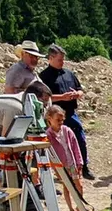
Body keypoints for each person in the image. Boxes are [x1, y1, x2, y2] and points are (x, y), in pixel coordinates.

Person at [38, 44, 94, 180]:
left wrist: (77, 94)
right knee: (56, 144)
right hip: (54, 116)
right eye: (59, 60)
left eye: (63, 59)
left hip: (70, 113)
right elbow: (43, 97)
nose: (62, 62)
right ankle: (60, 171)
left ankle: (83, 167)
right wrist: (62, 97)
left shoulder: (69, 73)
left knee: (79, 139)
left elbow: (80, 89)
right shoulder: (44, 76)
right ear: (50, 58)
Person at [0, 82, 53, 168]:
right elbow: (6, 140)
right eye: (44, 101)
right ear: (33, 98)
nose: (45, 105)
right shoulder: (16, 108)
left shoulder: (30, 104)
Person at [44, 105, 84, 211]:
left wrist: (79, 162)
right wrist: (55, 169)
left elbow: (75, 146)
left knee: (79, 185)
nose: (60, 122)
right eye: (58, 120)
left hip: (72, 163)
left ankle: (80, 207)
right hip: (61, 166)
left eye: (62, 120)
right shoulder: (48, 135)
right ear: (49, 119)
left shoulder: (67, 131)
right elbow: (49, 154)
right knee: (67, 187)